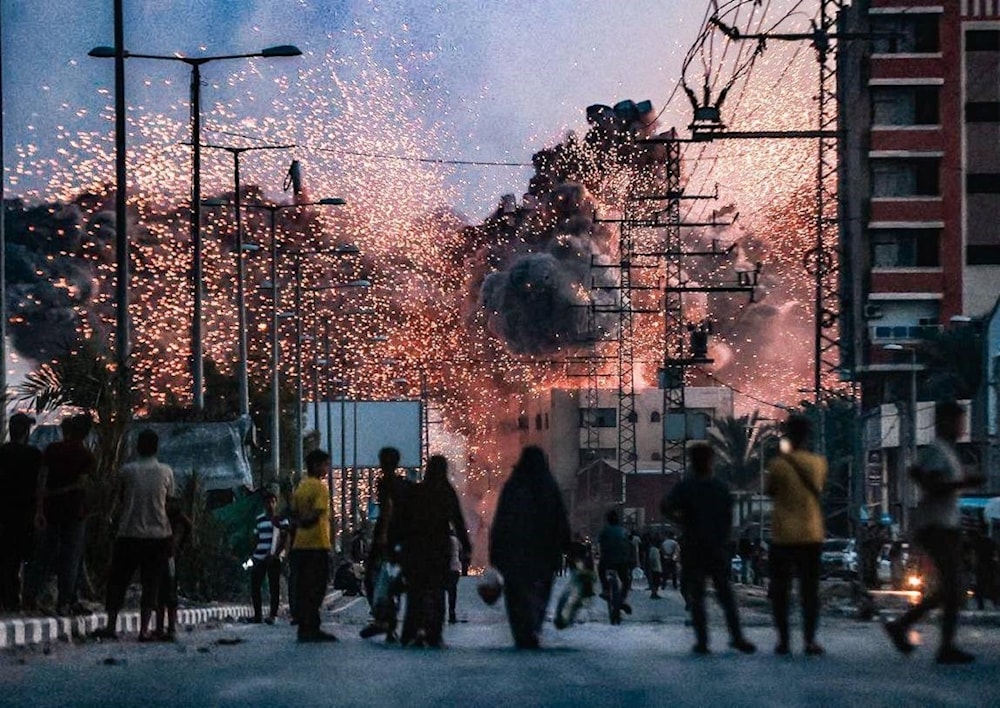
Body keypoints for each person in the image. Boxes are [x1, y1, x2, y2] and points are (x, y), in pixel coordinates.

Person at [883, 401, 985, 664]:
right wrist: (963, 482)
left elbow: (920, 475)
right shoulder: (937, 451)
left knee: (953, 587)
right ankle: (941, 644)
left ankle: (905, 626)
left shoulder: (945, 452)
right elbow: (928, 481)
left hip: (944, 525)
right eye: (958, 421)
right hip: (936, 525)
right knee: (953, 586)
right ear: (946, 422)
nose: (961, 427)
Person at [662, 443, 756, 656]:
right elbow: (729, 518)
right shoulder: (719, 487)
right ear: (711, 461)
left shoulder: (686, 487)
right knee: (724, 595)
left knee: (699, 595)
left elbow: (665, 506)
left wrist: (681, 522)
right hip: (715, 548)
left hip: (695, 546)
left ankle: (703, 641)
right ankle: (736, 637)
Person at [96, 429, 175, 640]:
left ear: (137, 447)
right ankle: (144, 630)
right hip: (158, 534)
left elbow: (119, 498)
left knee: (118, 581)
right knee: (152, 583)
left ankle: (111, 625)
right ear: (156, 448)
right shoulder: (166, 472)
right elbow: (169, 502)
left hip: (129, 532)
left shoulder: (127, 471)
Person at [490, 446, 571, 649]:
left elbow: (501, 521)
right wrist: (565, 546)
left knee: (516, 594)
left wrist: (495, 552)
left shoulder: (513, 486)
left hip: (514, 554)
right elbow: (560, 519)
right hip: (543, 554)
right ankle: (534, 626)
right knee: (539, 591)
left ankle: (521, 631)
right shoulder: (548, 486)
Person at [765, 414, 827, 657]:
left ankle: (783, 641)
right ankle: (810, 641)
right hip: (811, 534)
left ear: (787, 435)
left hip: (782, 536)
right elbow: (820, 488)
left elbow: (770, 491)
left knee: (781, 592)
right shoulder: (819, 463)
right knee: (809, 592)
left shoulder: (778, 465)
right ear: (808, 436)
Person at [397, 455, 471, 647]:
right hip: (439, 549)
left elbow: (402, 520)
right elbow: (458, 521)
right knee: (437, 592)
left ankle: (411, 632)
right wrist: (466, 547)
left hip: (416, 550)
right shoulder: (447, 493)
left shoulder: (416, 491)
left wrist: (398, 546)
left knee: (416, 592)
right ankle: (434, 634)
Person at [32, 413, 97, 615]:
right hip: (74, 511)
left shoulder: (52, 450)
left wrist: (40, 506)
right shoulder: (85, 455)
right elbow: (83, 483)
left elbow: (41, 479)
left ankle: (35, 598)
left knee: (46, 553)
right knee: (71, 555)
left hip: (51, 510)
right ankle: (65, 602)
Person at [360, 446, 411, 641]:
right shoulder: (404, 484)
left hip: (386, 539)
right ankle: (389, 624)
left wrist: (382, 536)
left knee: (372, 579)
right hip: (401, 538)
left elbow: (387, 508)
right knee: (392, 581)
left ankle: (382, 619)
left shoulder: (385, 483)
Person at [291, 448, 336, 642]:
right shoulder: (320, 488)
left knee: (303, 587)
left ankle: (305, 626)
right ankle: (312, 627)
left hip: (300, 544)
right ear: (317, 466)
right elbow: (318, 513)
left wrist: (298, 523)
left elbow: (292, 512)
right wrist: (306, 522)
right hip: (317, 544)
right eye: (325, 465)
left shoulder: (301, 487)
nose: (327, 469)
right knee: (317, 588)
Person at [0, 413, 43, 612]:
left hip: (5, 513)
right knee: (24, 558)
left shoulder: (3, 453)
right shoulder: (34, 455)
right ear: (25, 432)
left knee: (7, 557)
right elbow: (39, 485)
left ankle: (8, 598)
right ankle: (21, 599)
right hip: (25, 513)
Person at [154, 495, 192, 640]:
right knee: (162, 590)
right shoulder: (162, 511)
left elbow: (188, 526)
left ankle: (169, 628)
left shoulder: (174, 512)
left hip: (168, 554)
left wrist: (179, 546)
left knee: (168, 590)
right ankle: (162, 628)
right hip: (162, 553)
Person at [251, 489, 288, 624]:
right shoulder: (259, 519)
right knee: (255, 586)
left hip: (274, 558)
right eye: (267, 502)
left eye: (272, 502)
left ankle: (273, 614)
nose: (270, 504)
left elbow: (283, 539)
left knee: (274, 586)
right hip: (259, 556)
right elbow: (256, 537)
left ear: (276, 503)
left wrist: (276, 554)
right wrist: (254, 554)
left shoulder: (281, 520)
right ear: (264, 504)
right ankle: (257, 615)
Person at [597, 509, 633, 619]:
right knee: (626, 581)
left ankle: (606, 590)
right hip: (622, 561)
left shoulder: (604, 531)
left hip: (607, 560)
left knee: (601, 570)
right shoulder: (624, 531)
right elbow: (629, 545)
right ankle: (621, 600)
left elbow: (600, 545)